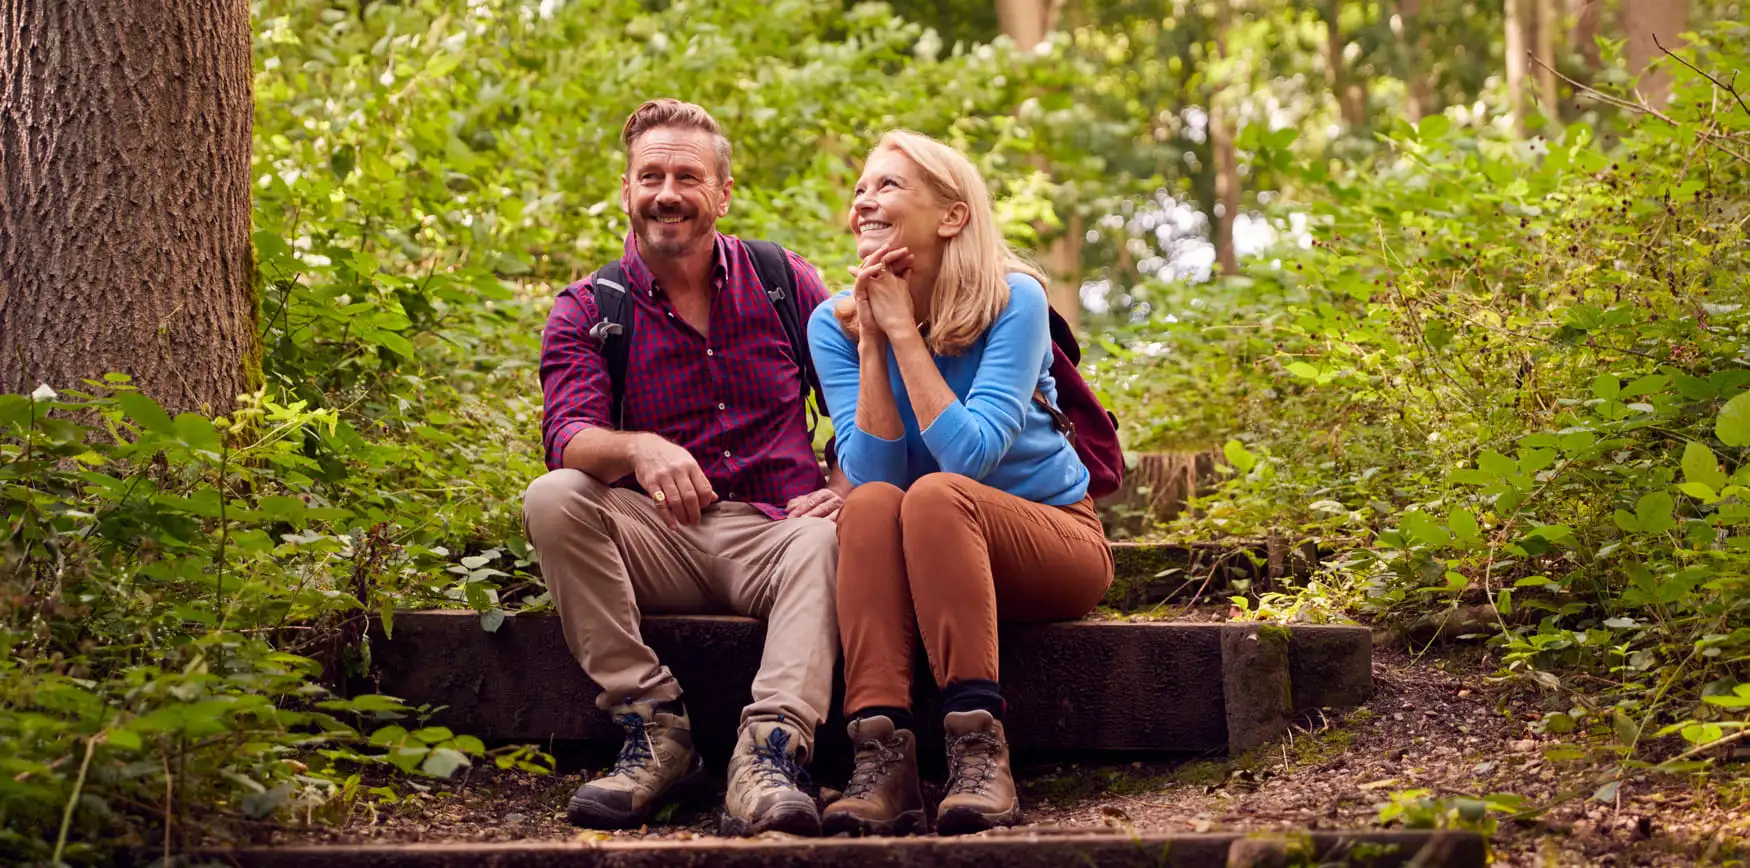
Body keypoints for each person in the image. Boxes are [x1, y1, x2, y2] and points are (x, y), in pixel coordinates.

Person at [523, 99, 847, 838]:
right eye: (651, 175)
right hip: (658, 535)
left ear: (722, 194)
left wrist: (845, 484)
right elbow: (567, 435)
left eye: (687, 176)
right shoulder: (589, 308)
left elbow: (859, 406)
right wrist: (638, 446)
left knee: (829, 540)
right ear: (627, 191)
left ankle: (770, 754)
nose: (667, 192)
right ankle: (654, 732)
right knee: (555, 497)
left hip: (778, 532)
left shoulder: (784, 282)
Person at [806, 131, 1114, 837]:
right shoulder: (836, 323)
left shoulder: (1015, 300)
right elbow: (873, 482)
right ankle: (881, 756)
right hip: (925, 547)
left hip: (1051, 540)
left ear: (951, 216)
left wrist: (906, 336)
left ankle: (980, 747)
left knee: (939, 494)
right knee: (882, 502)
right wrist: (875, 342)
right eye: (860, 189)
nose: (864, 201)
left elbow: (968, 458)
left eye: (887, 185)